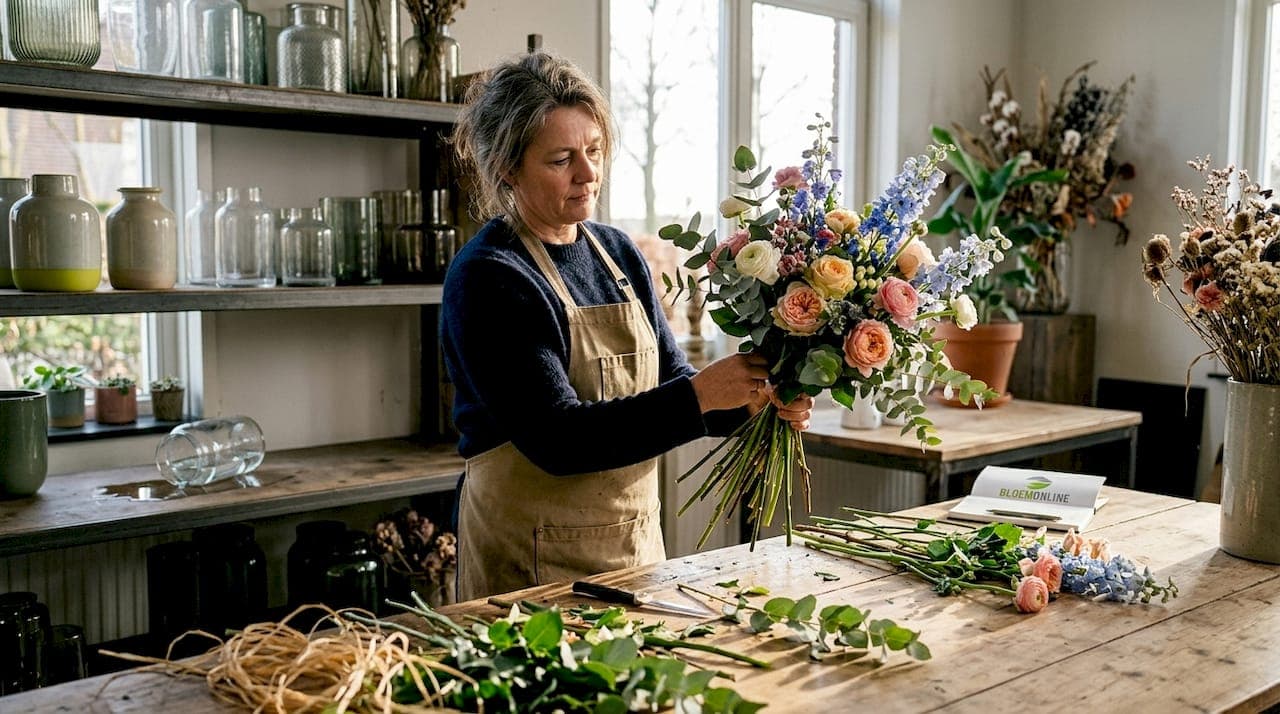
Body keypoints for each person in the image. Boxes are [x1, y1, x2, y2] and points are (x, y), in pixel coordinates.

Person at [443, 51, 814, 601]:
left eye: (594, 151)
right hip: (528, 562)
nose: (589, 174)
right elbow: (558, 440)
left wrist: (752, 403)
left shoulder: (616, 253)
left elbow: (671, 382)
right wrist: (699, 396)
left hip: (633, 555)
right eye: (562, 159)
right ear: (505, 167)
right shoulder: (490, 277)